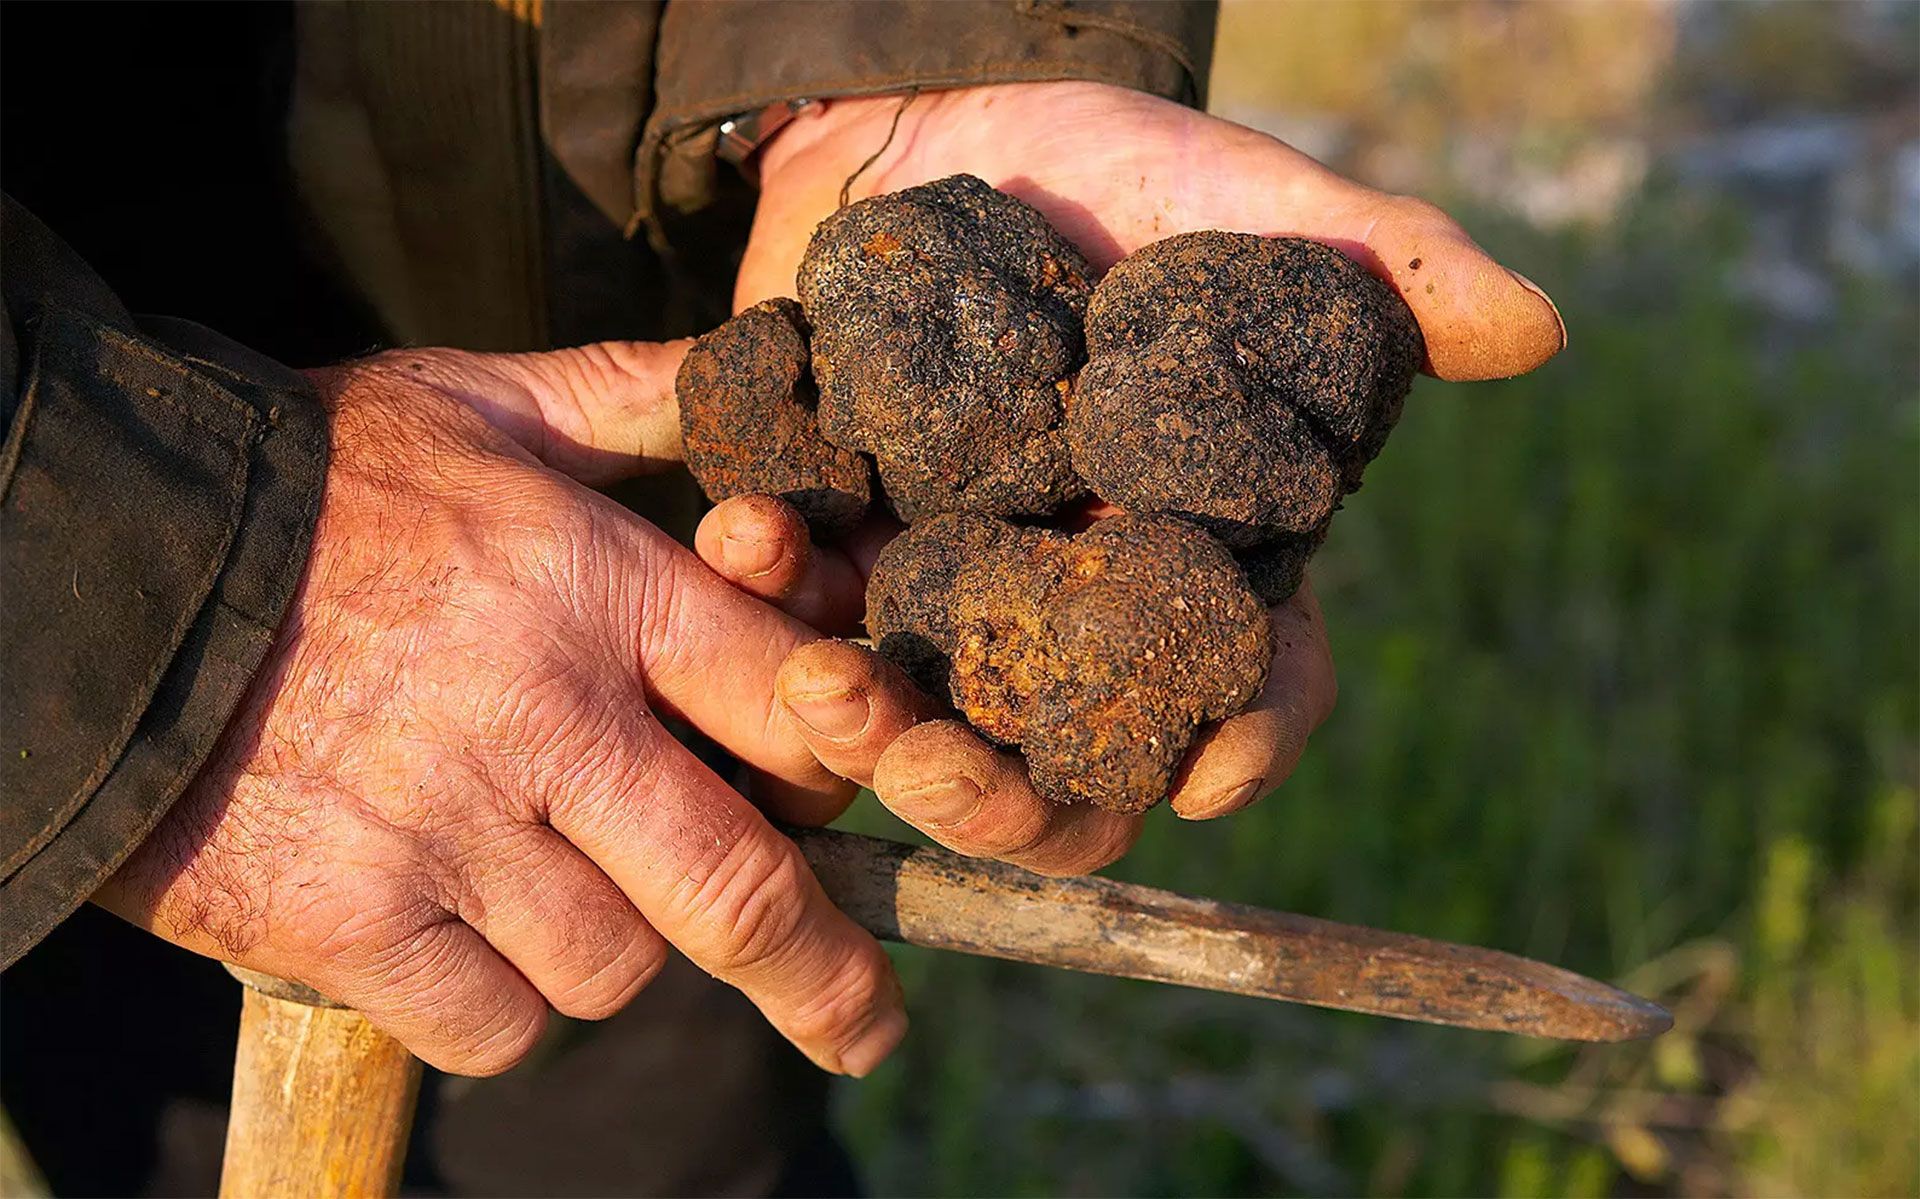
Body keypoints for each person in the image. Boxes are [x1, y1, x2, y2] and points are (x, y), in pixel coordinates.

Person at [0, 3, 1563, 1193]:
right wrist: (147, 595)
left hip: (624, 486)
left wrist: (893, 61)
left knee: (654, 1069)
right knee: (141, 1063)